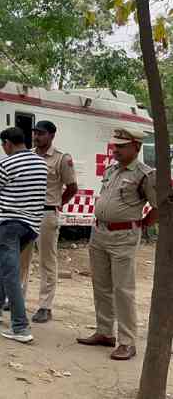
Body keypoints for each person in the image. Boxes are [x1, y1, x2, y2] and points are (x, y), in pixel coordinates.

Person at [77, 128, 156, 361]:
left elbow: (159, 205)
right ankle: (104, 332)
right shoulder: (112, 169)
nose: (116, 149)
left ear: (136, 147)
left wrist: (142, 224)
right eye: (115, 145)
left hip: (123, 237)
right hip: (99, 232)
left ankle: (127, 341)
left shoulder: (145, 174)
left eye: (121, 146)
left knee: (123, 290)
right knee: (101, 285)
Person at [0, 127, 47, 344]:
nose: (4, 149)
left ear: (8, 143)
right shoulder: (41, 163)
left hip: (10, 223)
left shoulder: (6, 163)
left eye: (3, 145)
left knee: (11, 274)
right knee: (6, 266)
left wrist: (7, 197)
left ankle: (20, 327)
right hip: (32, 226)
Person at [19, 121, 77, 323]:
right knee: (21, 259)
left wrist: (57, 203)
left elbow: (72, 187)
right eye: (35, 133)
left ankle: (45, 306)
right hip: (25, 212)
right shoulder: (27, 156)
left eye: (41, 133)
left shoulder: (61, 159)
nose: (36, 136)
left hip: (46, 214)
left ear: (52, 135)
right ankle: (17, 298)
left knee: (46, 261)